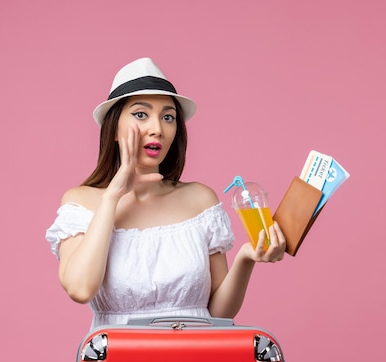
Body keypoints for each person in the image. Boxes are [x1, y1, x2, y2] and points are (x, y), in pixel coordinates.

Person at [45, 57, 286, 329]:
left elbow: (219, 314)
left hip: (196, 361)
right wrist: (113, 195)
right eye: (140, 114)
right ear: (113, 129)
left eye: (168, 117)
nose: (157, 129)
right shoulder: (81, 204)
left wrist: (245, 257)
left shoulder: (200, 200)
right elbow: (80, 288)